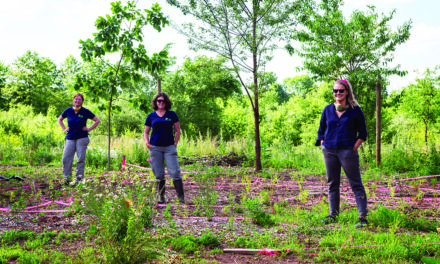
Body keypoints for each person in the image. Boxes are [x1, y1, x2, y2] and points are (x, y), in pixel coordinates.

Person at [315, 79, 369, 228]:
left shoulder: (355, 110)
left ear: (347, 92)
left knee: (355, 183)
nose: (338, 93)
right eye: (335, 91)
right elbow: (321, 131)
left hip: (347, 151)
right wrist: (323, 145)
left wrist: (354, 148)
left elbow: (363, 133)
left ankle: (362, 217)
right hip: (329, 151)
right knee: (332, 183)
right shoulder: (327, 110)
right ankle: (333, 214)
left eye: (341, 90)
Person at [144, 92, 184, 204]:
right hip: (155, 147)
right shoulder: (151, 116)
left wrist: (175, 143)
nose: (161, 102)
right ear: (156, 103)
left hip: (169, 148)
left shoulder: (172, 114)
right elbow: (146, 132)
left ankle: (181, 197)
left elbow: (178, 131)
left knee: (175, 171)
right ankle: (161, 197)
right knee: (158, 173)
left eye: (163, 101)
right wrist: (147, 143)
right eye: (159, 101)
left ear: (166, 102)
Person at [58, 93, 100, 186]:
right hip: (70, 138)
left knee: (80, 159)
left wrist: (89, 129)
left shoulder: (85, 111)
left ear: (82, 101)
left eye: (79, 99)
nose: (77, 101)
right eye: (76, 99)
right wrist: (64, 129)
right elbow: (60, 119)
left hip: (82, 138)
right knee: (66, 158)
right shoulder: (68, 111)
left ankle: (79, 179)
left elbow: (97, 120)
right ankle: (67, 179)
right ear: (73, 100)